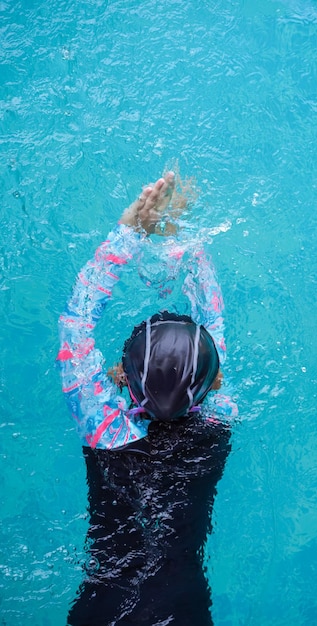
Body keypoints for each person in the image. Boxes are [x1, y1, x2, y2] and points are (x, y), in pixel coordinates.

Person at [57, 171, 237, 626]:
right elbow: (212, 330)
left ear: (119, 376)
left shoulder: (106, 431)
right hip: (185, 606)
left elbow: (76, 324)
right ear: (213, 385)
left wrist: (130, 232)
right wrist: (186, 240)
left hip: (105, 608)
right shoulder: (219, 420)